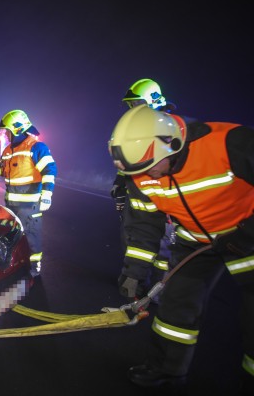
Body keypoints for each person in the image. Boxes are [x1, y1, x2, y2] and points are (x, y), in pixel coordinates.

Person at [108, 104, 254, 389]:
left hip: (246, 238)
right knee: (175, 308)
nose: (147, 176)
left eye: (151, 168)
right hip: (193, 242)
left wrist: (249, 232)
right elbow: (144, 226)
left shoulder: (229, 143)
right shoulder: (139, 173)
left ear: (170, 146)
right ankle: (166, 368)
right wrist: (135, 272)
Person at [112, 78, 177, 298]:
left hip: (165, 201)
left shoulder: (170, 126)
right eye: (131, 105)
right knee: (134, 240)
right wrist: (120, 183)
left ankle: (159, 291)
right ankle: (136, 282)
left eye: (137, 103)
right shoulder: (138, 127)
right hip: (139, 196)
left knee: (163, 249)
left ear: (153, 101)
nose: (133, 109)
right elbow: (130, 160)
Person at [0, 109, 57, 277]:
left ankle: (34, 267)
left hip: (30, 205)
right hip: (12, 205)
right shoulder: (8, 150)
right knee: (13, 236)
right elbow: (1, 169)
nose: (5, 134)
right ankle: (16, 265)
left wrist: (47, 195)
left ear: (16, 128)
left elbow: (50, 170)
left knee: (31, 237)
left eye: (7, 131)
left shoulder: (36, 147)